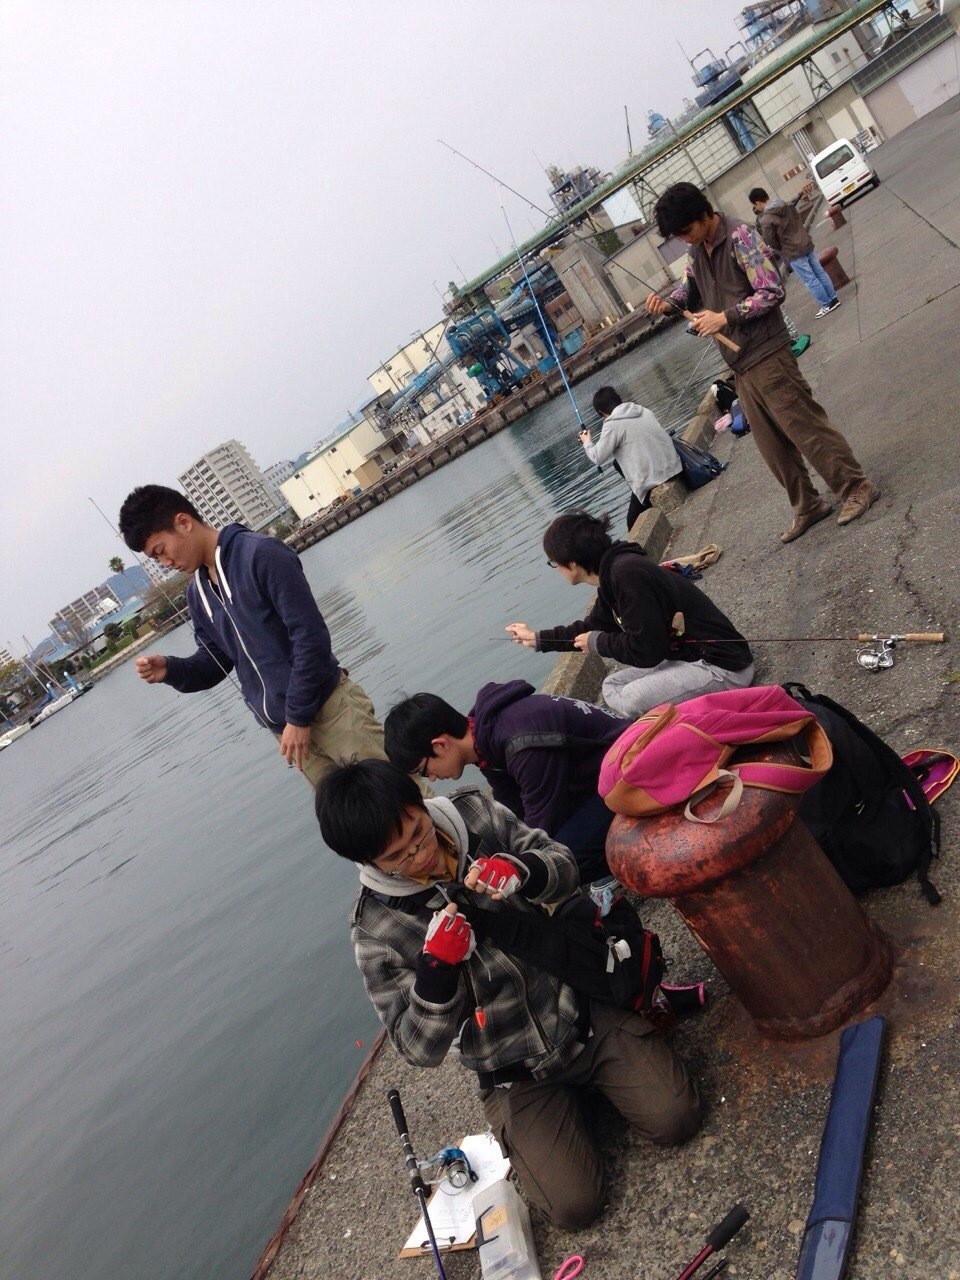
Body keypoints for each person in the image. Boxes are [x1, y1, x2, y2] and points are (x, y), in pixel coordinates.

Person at [315, 758, 701, 1229]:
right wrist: (436, 971)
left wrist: (524, 871)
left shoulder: (474, 814)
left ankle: (598, 1084)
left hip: (579, 1012)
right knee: (574, 1207)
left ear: (419, 802)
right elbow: (416, 1048)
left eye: (418, 831)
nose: (420, 855)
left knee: (678, 1118)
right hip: (514, 1068)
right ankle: (559, 1112)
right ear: (369, 862)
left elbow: (564, 864)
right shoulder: (375, 927)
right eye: (398, 856)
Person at [118, 484, 406, 788]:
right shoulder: (197, 594)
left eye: (161, 551)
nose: (165, 563)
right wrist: (171, 669)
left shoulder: (261, 553)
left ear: (183, 522)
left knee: (401, 797)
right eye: (156, 559)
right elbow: (215, 661)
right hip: (289, 734)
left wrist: (298, 716)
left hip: (331, 711)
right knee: (354, 819)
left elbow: (311, 638)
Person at [645, 183, 879, 544]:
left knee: (806, 427)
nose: (684, 238)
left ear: (704, 214)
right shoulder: (696, 250)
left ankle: (856, 486)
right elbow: (688, 289)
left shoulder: (740, 236)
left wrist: (724, 317)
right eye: (678, 235)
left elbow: (771, 291)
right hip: (740, 363)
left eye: (686, 229)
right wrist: (668, 303)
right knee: (772, 447)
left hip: (767, 352)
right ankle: (808, 506)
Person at [505, 511, 753, 719]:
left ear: (571, 562)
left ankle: (694, 716)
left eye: (554, 562)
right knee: (611, 685)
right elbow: (593, 627)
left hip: (723, 667)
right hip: (689, 657)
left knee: (627, 697)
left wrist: (598, 642)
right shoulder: (613, 573)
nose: (556, 568)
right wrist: (537, 638)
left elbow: (648, 651)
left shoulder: (627, 574)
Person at [384, 683, 631, 881]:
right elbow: (512, 813)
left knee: (559, 859)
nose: (432, 778)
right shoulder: (486, 740)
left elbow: (543, 825)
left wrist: (515, 867)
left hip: (629, 775)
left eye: (424, 771)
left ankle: (630, 856)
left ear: (440, 745)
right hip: (596, 779)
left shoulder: (521, 744)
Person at [580, 387, 682, 531]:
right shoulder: (642, 410)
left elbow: (597, 457)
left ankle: (643, 497)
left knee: (632, 524)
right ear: (618, 399)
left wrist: (586, 441)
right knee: (617, 463)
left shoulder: (612, 425)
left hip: (656, 478)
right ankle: (638, 493)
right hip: (675, 466)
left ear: (601, 413)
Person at [749, 186, 840, 318]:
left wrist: (781, 248)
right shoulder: (786, 205)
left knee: (810, 279)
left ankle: (826, 304)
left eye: (755, 206)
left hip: (792, 251)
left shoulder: (766, 219)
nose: (757, 208)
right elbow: (797, 220)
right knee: (820, 272)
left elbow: (770, 241)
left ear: (757, 203)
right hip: (805, 242)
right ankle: (833, 299)